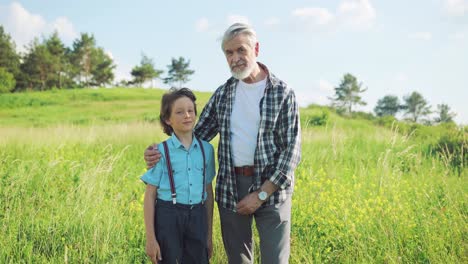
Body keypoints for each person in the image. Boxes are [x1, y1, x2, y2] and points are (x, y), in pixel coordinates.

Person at [145, 23, 301, 264]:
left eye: (240, 50)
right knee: (238, 260)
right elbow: (194, 136)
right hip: (231, 188)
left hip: (273, 189)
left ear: (256, 48)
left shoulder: (282, 93)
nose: (235, 58)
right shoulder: (224, 94)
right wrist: (160, 151)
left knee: (275, 260)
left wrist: (261, 194)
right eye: (229, 53)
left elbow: (291, 153)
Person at [141, 88, 215, 264]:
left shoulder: (207, 150)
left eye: (190, 110)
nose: (187, 115)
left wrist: (209, 235)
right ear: (168, 119)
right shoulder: (160, 151)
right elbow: (150, 195)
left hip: (198, 216)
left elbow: (208, 193)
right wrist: (151, 239)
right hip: (168, 217)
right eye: (179, 112)